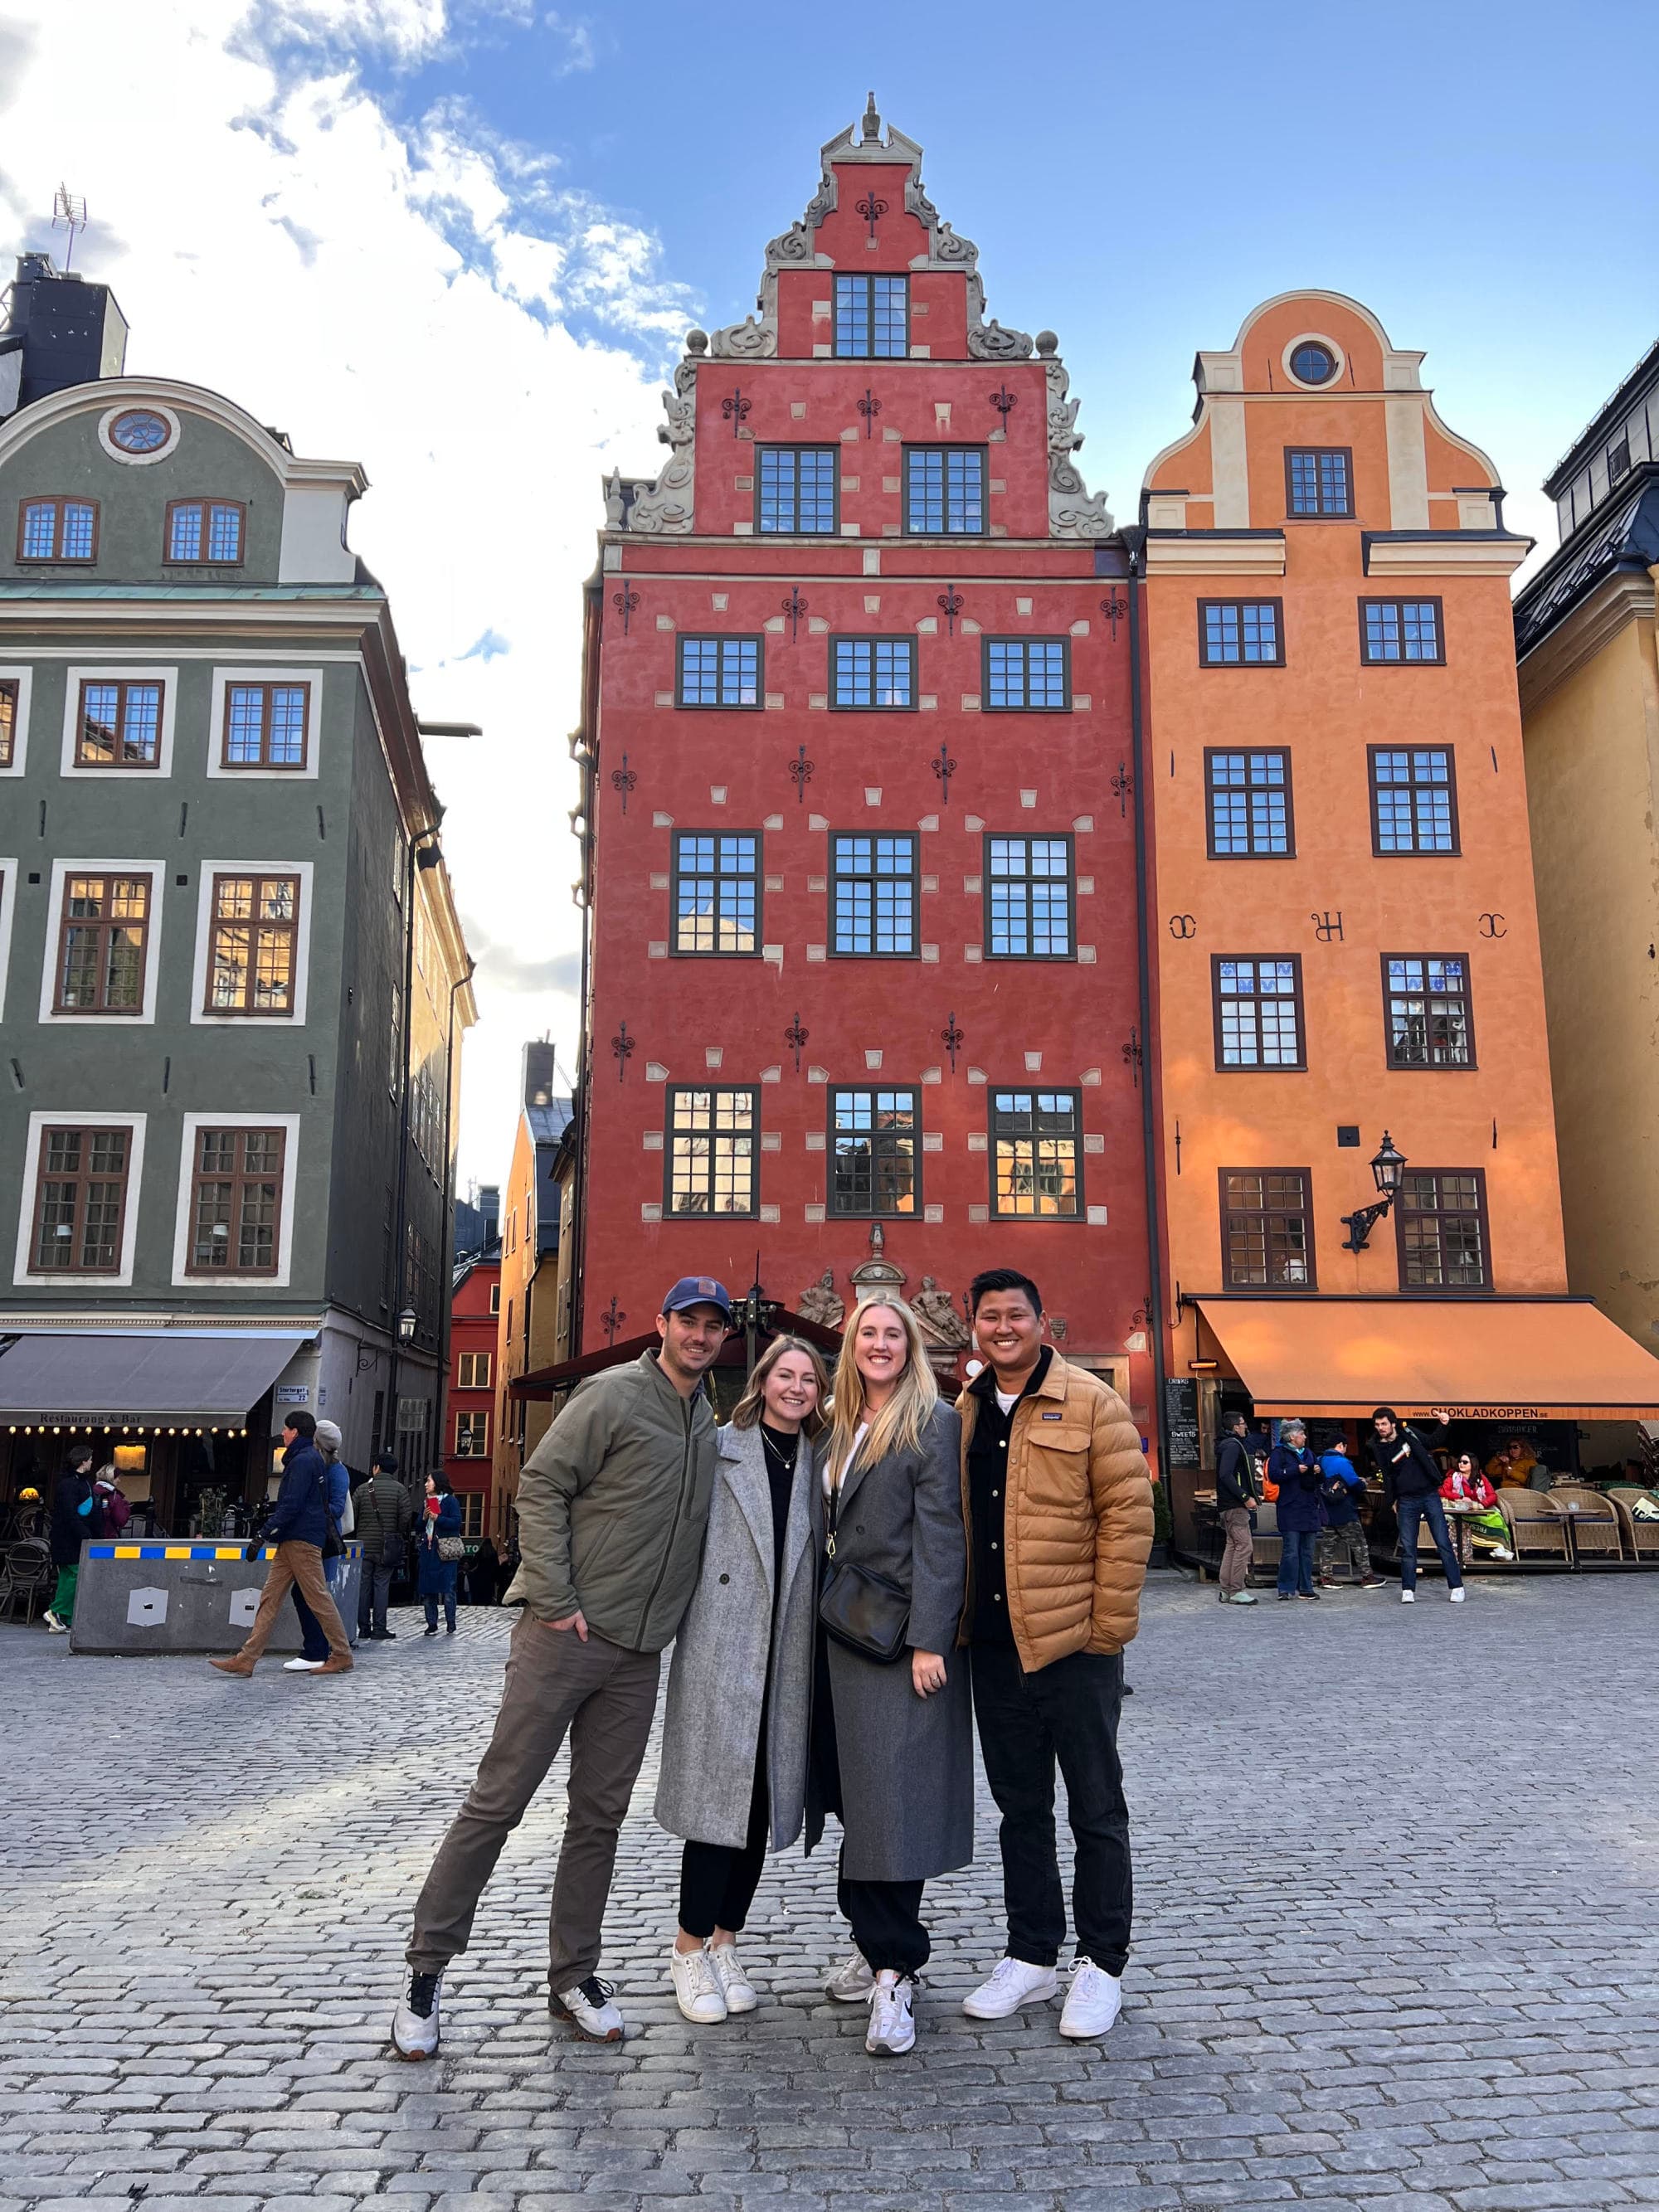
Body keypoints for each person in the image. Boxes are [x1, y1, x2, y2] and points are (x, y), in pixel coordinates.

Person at [393, 1277, 730, 2060]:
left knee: (599, 1820)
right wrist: (555, 1598)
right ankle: (425, 1968)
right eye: (688, 1320)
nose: (700, 1334)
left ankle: (573, 1974)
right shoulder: (613, 1394)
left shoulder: (707, 1421)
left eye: (713, 1326)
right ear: (663, 1323)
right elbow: (541, 1484)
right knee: (498, 1802)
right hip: (564, 1635)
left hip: (638, 1653)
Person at [955, 1268, 1153, 2041]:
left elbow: (1128, 1514)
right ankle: (1032, 1952)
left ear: (1042, 1320)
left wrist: (1106, 1629)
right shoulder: (966, 1411)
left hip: (1074, 1645)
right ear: (975, 1327)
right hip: (995, 1645)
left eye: (1016, 1314)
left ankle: (1101, 1961)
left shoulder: (1092, 1401)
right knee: (1020, 1809)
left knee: (1096, 1808)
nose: (1003, 1327)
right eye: (990, 1316)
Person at [807, 1296, 970, 2060]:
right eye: (867, 1333)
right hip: (836, 1636)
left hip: (896, 1641)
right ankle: (874, 1944)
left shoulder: (932, 1421)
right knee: (857, 1802)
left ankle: (894, 1971)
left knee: (893, 1806)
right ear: (851, 1345)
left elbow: (943, 1537)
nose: (879, 1344)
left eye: (892, 1334)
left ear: (911, 1345)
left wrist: (932, 1639)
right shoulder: (835, 1423)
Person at [656, 1335, 828, 2024]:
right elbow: (676, 1537)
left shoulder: (821, 1460)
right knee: (716, 1807)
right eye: (786, 1374)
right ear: (763, 1380)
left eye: (809, 1378)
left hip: (788, 1651)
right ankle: (687, 1948)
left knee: (759, 1803)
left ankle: (727, 1943)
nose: (797, 1387)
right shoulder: (720, 1447)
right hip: (722, 1645)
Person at [209, 1410, 353, 1675]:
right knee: (271, 1599)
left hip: (301, 1540)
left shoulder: (303, 1461)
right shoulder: (309, 1458)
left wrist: (263, 1534)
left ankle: (342, 1654)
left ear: (295, 1432)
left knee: (317, 1599)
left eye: (286, 1429)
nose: (283, 1434)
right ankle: (247, 1658)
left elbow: (291, 1505)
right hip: (294, 1540)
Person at [1370, 1407, 1464, 1604]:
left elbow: (1432, 1442)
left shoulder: (1409, 1433)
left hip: (1429, 1494)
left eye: (1384, 1424)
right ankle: (1408, 1589)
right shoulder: (1377, 1446)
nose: (1381, 1428)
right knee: (1408, 1547)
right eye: (1377, 1425)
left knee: (1443, 1542)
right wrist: (1392, 1500)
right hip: (1406, 1500)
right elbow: (1387, 1475)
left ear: (1393, 1423)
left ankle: (1456, 1586)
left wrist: (1444, 1425)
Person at [286, 1418, 353, 1674]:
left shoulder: (336, 1471)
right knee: (306, 1593)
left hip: (322, 1541)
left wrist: (310, 1511)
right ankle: (319, 1649)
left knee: (312, 1594)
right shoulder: (319, 1465)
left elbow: (336, 1507)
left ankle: (319, 1650)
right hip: (312, 1537)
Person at [355, 1453, 414, 1641]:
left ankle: (363, 1627)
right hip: (387, 1546)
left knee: (363, 1585)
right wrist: (395, 1531)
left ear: (377, 1468)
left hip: (365, 1544)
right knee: (382, 1585)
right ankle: (380, 1628)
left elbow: (352, 1515)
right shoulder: (400, 1490)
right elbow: (406, 1517)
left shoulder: (362, 1489)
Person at [44, 1444, 100, 1634]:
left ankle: (61, 1619)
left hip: (70, 1537)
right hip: (69, 1538)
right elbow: (69, 1513)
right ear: (83, 1461)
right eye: (90, 1459)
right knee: (76, 1574)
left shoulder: (77, 1482)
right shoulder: (70, 1484)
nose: (92, 1462)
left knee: (67, 1577)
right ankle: (56, 1610)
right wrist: (85, 1533)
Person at [1315, 1438, 1383, 1589]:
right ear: (1341, 1445)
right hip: (1344, 1510)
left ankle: (1326, 1577)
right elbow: (1355, 1484)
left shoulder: (1319, 1461)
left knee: (1327, 1545)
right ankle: (1367, 1576)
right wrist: (1363, 1482)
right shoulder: (1341, 1462)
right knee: (1359, 1544)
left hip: (1326, 1512)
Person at [1269, 1421, 1322, 1602]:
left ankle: (1306, 1587)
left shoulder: (1309, 1453)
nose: (1305, 1437)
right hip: (1290, 1508)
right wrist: (1295, 1470)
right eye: (1302, 1434)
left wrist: (1318, 1471)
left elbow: (1321, 1479)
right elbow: (1274, 1475)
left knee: (1307, 1551)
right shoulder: (1279, 1453)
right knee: (1291, 1551)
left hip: (1309, 1508)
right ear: (1292, 1437)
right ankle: (1285, 1588)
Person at [1214, 1411, 1259, 1606]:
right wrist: (1245, 1497)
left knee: (1232, 1546)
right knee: (1244, 1546)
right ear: (1235, 1427)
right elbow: (1226, 1474)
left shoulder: (1225, 1444)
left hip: (1227, 1505)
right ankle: (1236, 1590)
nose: (1245, 1427)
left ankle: (1226, 1590)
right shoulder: (1233, 1446)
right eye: (1243, 1424)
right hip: (1235, 1505)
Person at [1440, 1451, 1513, 1562]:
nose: (1461, 1464)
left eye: (1465, 1462)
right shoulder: (1453, 1477)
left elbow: (1492, 1495)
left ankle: (1500, 1548)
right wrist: (1460, 1497)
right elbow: (1442, 1491)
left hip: (1478, 1510)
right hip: (1460, 1511)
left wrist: (1482, 1504)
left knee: (1496, 1518)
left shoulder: (1481, 1478)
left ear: (1472, 1464)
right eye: (1460, 1462)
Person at [418, 1471, 463, 1636]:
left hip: (445, 1551)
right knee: (428, 1588)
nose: (426, 1484)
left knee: (448, 1588)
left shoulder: (450, 1501)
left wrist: (438, 1518)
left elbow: (456, 1522)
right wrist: (424, 1518)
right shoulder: (427, 1502)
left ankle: (451, 1622)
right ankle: (432, 1623)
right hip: (429, 1550)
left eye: (428, 1481)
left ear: (437, 1483)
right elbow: (418, 1527)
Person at [467, 1535, 501, 1607]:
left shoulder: (480, 1552)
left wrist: (470, 1570)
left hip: (480, 1575)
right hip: (490, 1577)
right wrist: (497, 1578)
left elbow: (474, 1563)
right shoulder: (493, 1552)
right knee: (488, 1593)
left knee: (480, 1592)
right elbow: (497, 1566)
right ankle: (487, 1602)